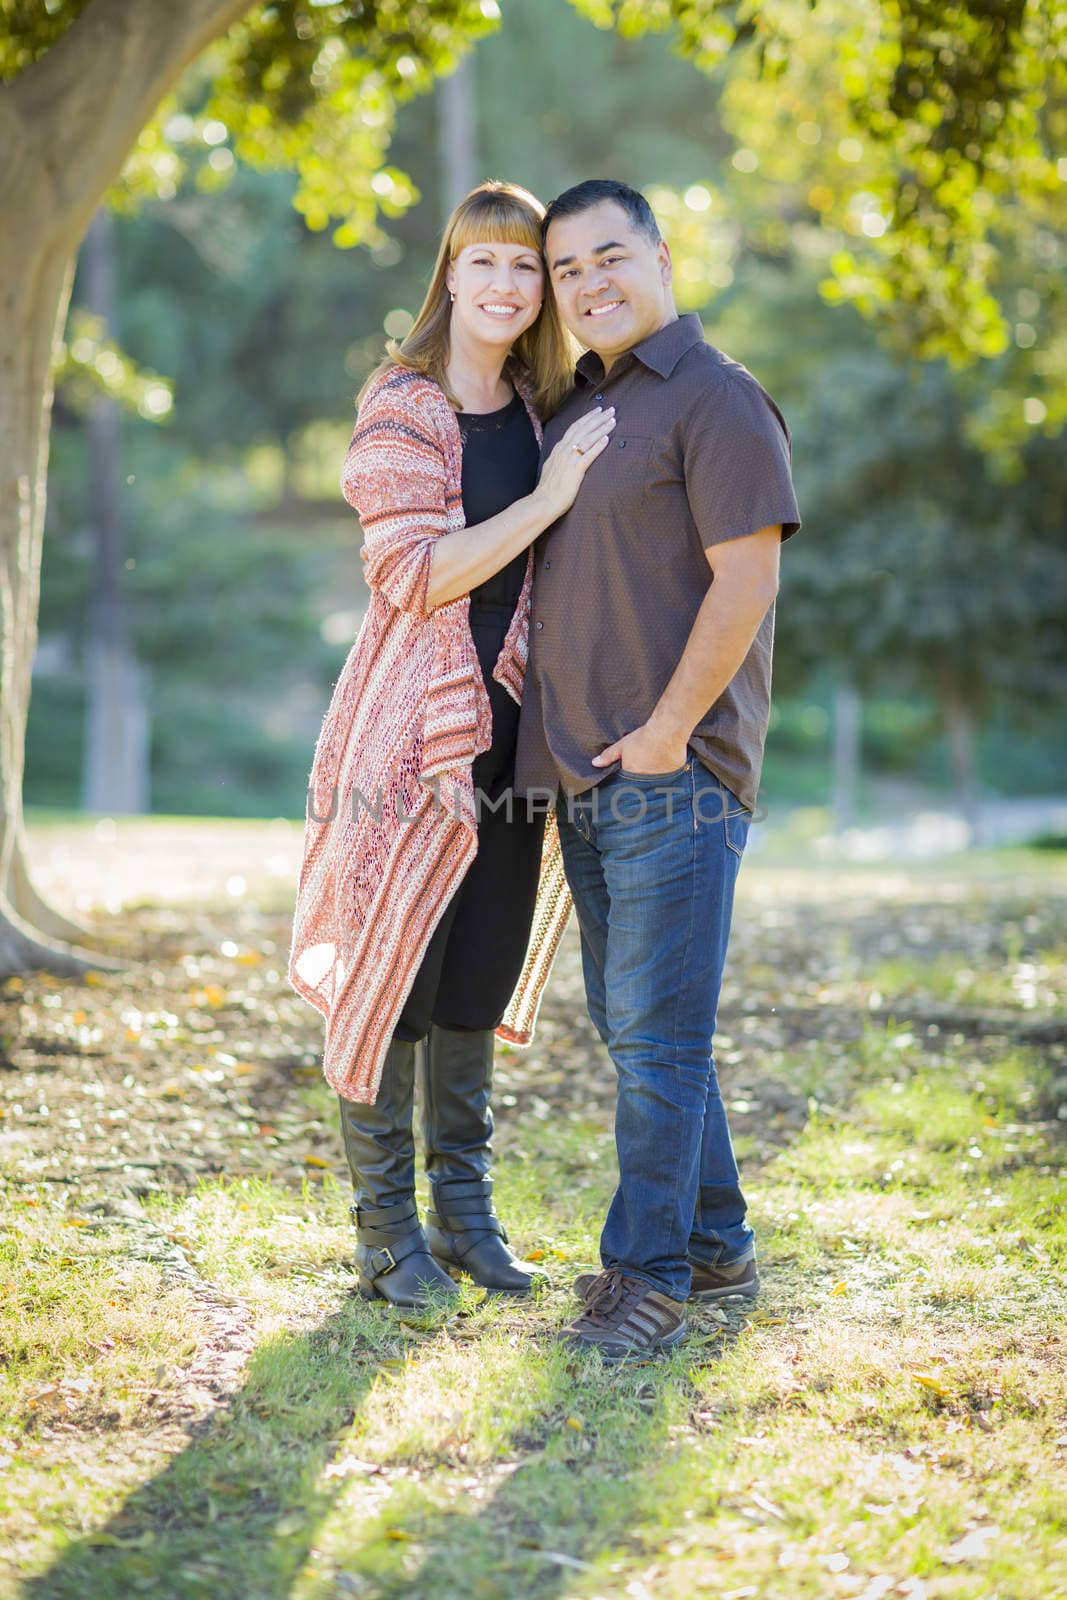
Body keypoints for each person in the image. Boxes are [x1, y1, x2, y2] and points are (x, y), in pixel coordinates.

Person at [289, 182, 614, 1310]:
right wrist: (547, 501)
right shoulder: (403, 406)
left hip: (513, 737)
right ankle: (385, 1238)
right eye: (482, 264)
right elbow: (411, 573)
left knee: (474, 976)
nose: (505, 285)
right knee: (396, 974)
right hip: (409, 742)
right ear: (449, 276)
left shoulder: (540, 408)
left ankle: (463, 1217)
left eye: (524, 267)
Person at [515, 179, 802, 1360]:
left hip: (672, 772)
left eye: (607, 256)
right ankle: (718, 1243)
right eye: (565, 269)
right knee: (643, 1030)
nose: (587, 283)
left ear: (663, 255)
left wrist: (670, 732)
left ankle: (644, 1279)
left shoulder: (718, 401)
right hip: (586, 773)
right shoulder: (580, 408)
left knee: (658, 1040)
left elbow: (746, 581)